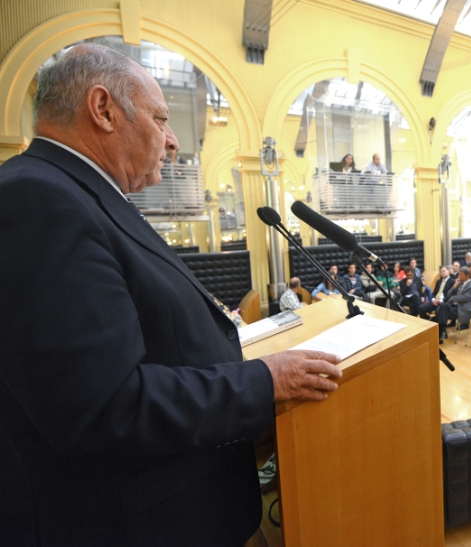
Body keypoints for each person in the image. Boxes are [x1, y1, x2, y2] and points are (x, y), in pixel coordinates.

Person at [0, 44, 342, 545]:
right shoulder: (39, 200)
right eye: (161, 118)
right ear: (103, 110)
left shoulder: (78, 194)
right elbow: (105, 407)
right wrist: (264, 380)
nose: (173, 140)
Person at [435, 267, 471, 343]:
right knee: (441, 307)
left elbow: (464, 298)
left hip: (463, 309)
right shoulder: (458, 283)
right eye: (459, 274)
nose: (459, 276)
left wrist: (453, 298)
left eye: (461, 275)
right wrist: (455, 285)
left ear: (467, 276)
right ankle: (442, 332)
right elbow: (448, 294)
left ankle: (442, 333)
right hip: (453, 306)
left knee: (439, 311)